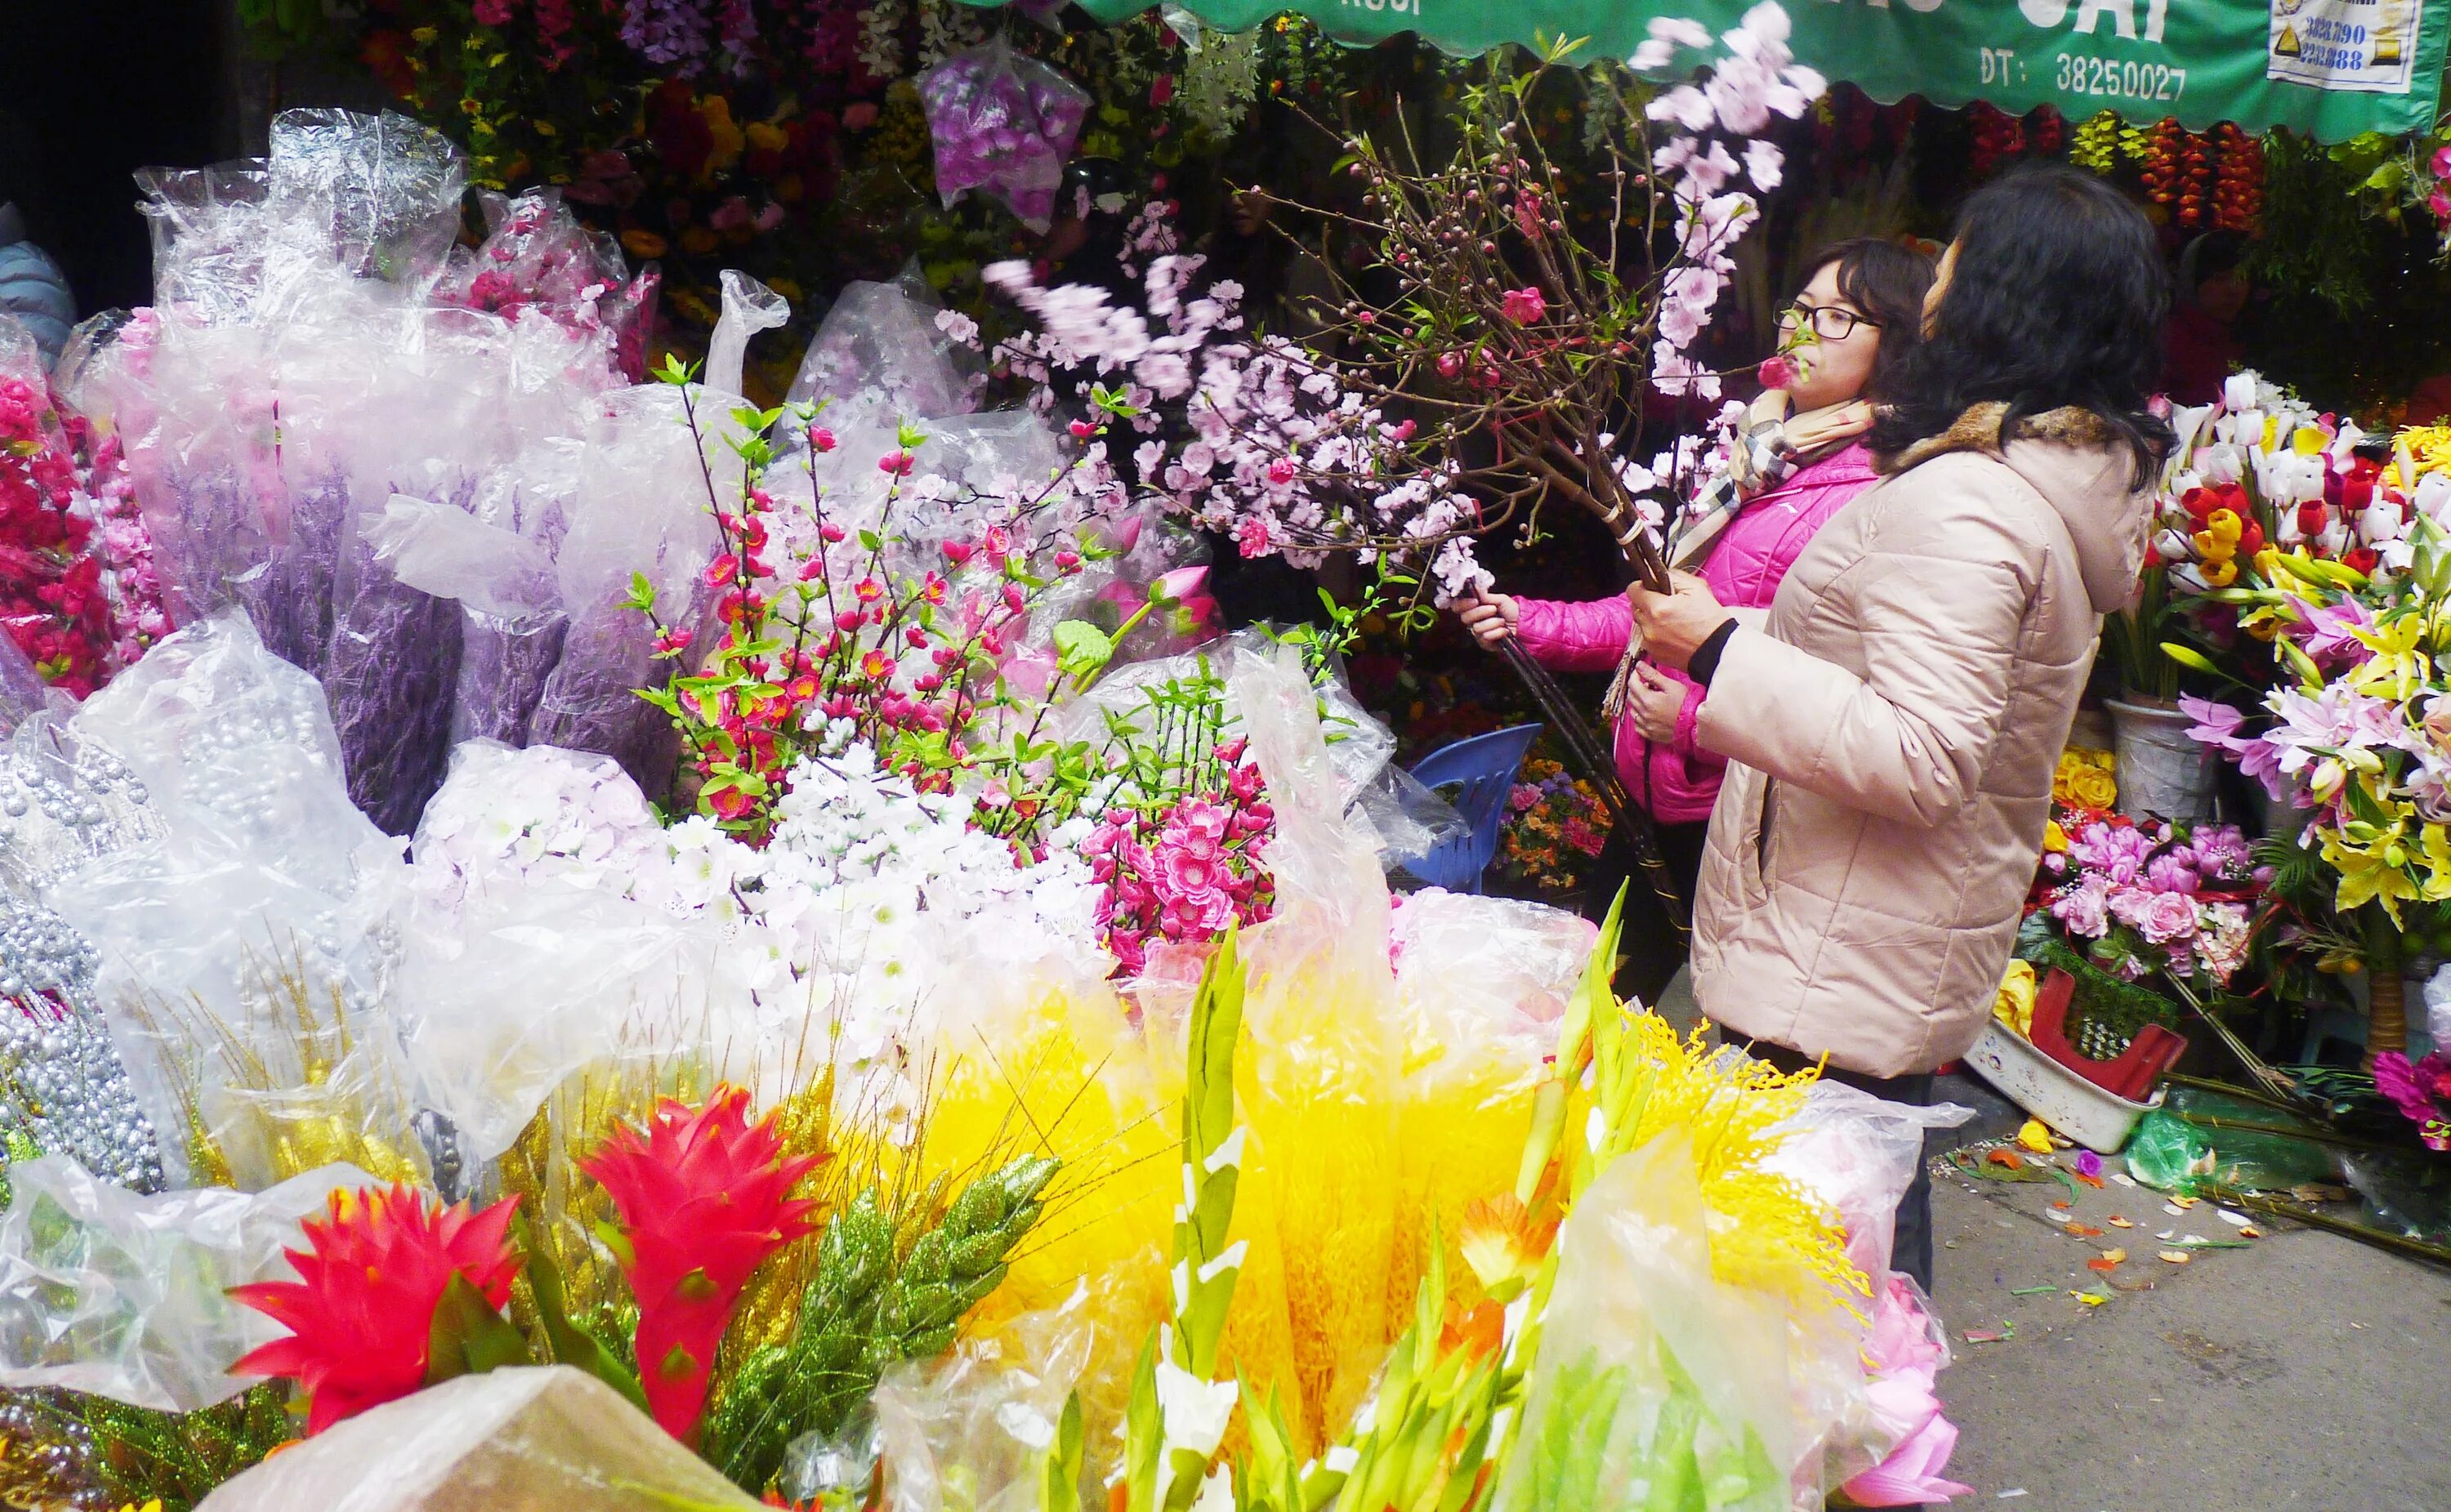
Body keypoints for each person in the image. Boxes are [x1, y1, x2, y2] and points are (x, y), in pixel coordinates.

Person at [1627, 163, 2170, 1296]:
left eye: (1960, 256)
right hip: (1874, 936)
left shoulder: (1969, 501)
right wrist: (1728, 631)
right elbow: (1891, 649)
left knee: (1812, 1291)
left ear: (2004, 294)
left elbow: (1924, 753)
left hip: (1842, 943)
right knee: (1857, 1250)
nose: (1936, 281)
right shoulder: (2018, 487)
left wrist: (1720, 659)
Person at [1456, 239, 1935, 1002]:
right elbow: (1657, 614)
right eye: (1800, 310)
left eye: (1838, 317)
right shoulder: (1757, 457)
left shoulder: (1881, 493)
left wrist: (1696, 719)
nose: (1803, 332)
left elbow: (1850, 681)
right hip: (1653, 797)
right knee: (1594, 1021)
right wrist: (1529, 622)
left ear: (1900, 342)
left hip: (1744, 825)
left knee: (1692, 1043)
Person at [2163, 230, 2248, 406]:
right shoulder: (2168, 339)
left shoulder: (2249, 334)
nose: (2233, 290)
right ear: (2191, 281)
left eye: (2242, 278)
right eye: (2220, 279)